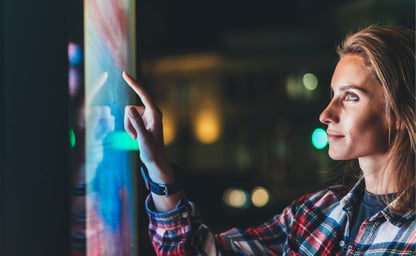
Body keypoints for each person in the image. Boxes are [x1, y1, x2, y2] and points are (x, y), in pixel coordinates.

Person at [122, 25, 416, 255]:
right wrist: (157, 165)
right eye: (332, 95)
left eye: (351, 97)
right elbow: (193, 251)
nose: (327, 113)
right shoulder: (315, 214)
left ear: (402, 113)